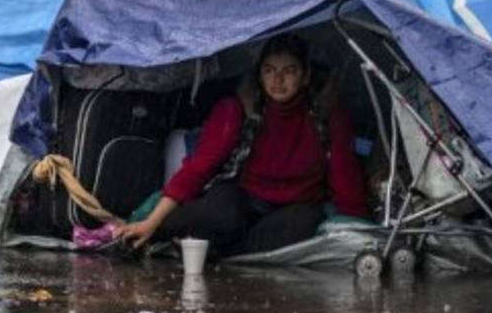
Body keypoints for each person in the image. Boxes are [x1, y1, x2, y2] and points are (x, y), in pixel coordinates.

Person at [115, 33, 368, 256]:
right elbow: (200, 167)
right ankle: (156, 236)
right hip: (243, 200)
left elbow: (345, 178)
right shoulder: (238, 109)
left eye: (289, 71)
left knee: (304, 223)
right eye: (269, 70)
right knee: (223, 213)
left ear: (305, 77)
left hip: (293, 209)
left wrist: (362, 235)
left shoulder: (327, 116)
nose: (277, 80)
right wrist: (153, 222)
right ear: (259, 75)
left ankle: (220, 252)